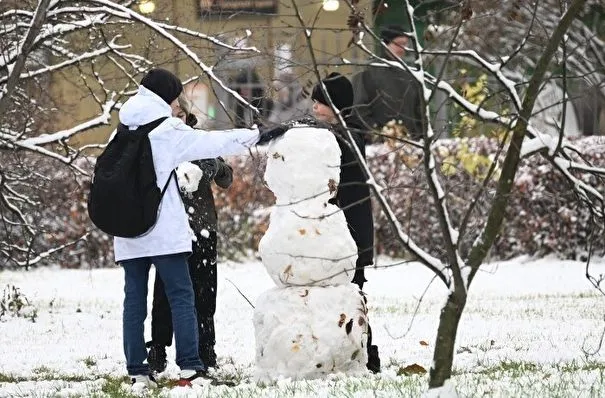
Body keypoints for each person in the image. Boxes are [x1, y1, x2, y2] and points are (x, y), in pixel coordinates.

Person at [114, 68, 285, 390]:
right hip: (164, 230)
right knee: (182, 296)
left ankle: (137, 371)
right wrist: (257, 135)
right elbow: (213, 141)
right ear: (167, 96)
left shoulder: (123, 128)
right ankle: (190, 368)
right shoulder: (167, 130)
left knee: (133, 300)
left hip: (128, 229)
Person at [146, 96, 232, 373]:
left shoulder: (198, 140)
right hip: (170, 228)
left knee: (205, 290)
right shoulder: (156, 143)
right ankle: (158, 348)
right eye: (171, 115)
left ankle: (206, 348)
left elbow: (226, 176)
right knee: (164, 291)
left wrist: (214, 166)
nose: (176, 120)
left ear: (187, 116)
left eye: (180, 114)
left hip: (203, 226)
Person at [310, 72, 380, 373]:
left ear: (336, 105)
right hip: (335, 232)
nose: (314, 108)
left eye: (320, 103)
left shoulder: (349, 135)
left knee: (353, 295)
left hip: (351, 232)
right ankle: (340, 353)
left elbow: (338, 177)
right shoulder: (332, 134)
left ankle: (366, 353)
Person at [352, 24, 424, 141]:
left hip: (411, 144)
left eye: (405, 44)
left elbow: (419, 111)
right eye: (399, 44)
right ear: (385, 44)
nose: (403, 49)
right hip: (379, 147)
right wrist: (377, 135)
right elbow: (359, 109)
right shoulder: (368, 72)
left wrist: (421, 137)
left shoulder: (410, 75)